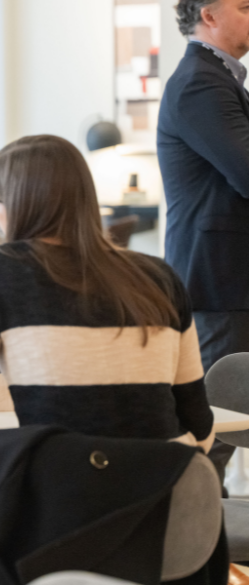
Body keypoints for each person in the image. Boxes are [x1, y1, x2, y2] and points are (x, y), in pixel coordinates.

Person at [0, 134, 214, 452]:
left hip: (62, 492)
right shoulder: (161, 277)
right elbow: (200, 428)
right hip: (168, 491)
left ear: (17, 205)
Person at [157, 0, 249, 486]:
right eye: (245, 6)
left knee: (222, 431)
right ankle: (174, 552)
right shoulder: (200, 82)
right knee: (209, 438)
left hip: (228, 282)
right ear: (209, 15)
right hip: (219, 284)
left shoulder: (220, 78)